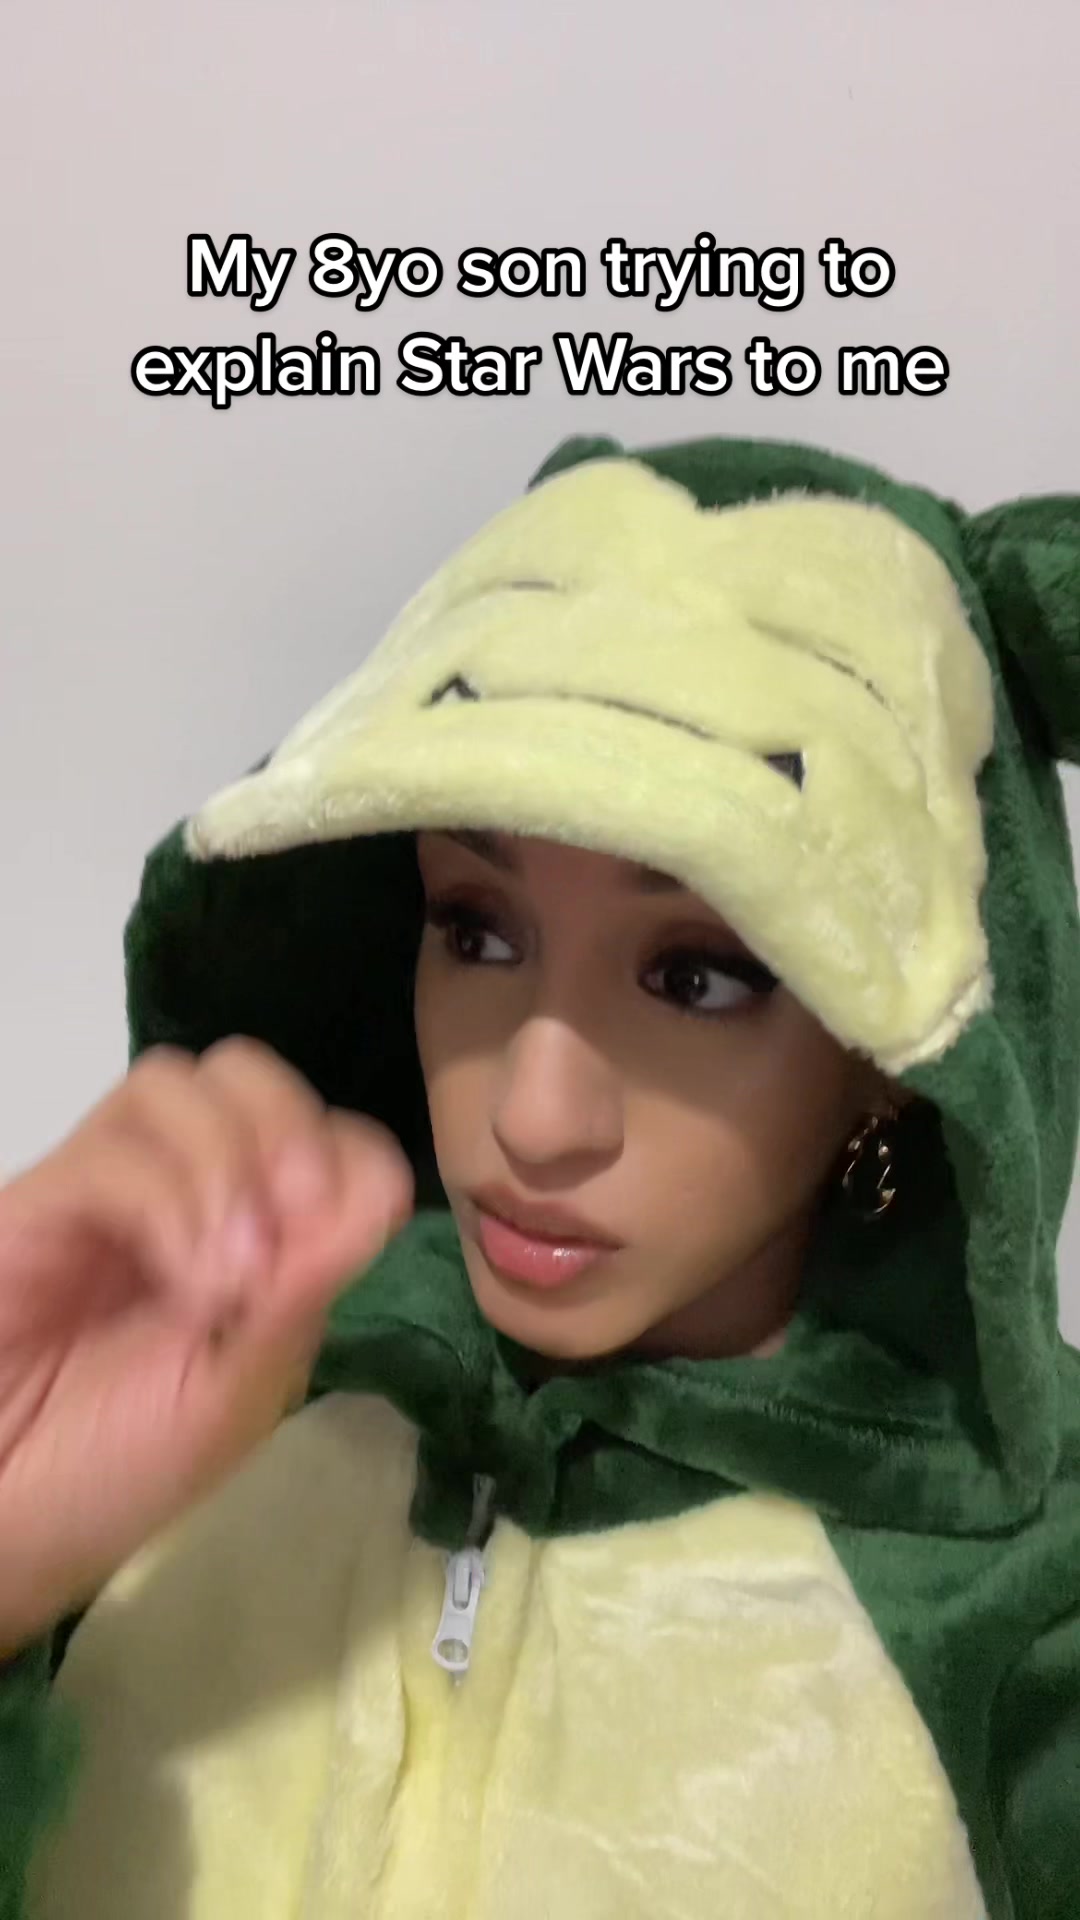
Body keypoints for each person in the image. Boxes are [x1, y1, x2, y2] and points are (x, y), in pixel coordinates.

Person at [2, 429, 1080, 1917]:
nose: (535, 1112)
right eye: (477, 929)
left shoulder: (1024, 1607)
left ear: (889, 1049)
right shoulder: (184, 1406)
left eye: (698, 975)